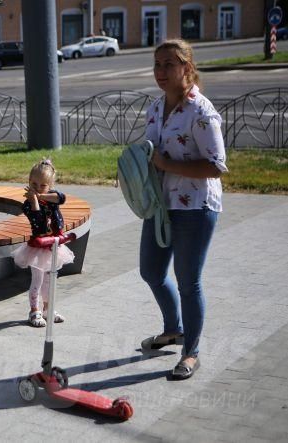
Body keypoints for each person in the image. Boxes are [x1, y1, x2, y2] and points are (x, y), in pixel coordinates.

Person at [140, 39, 228, 380]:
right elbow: (152, 150)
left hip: (196, 206)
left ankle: (190, 353)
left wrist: (167, 164)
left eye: (169, 65)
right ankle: (173, 329)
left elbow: (217, 166)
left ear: (187, 69)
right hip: (160, 204)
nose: (161, 72)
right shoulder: (154, 107)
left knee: (188, 282)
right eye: (157, 65)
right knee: (151, 271)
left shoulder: (201, 112)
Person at [12, 159, 75, 327]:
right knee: (38, 280)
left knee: (50, 279)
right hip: (38, 248)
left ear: (50, 185)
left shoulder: (51, 198)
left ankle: (48, 309)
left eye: (43, 185)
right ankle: (34, 311)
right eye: (34, 184)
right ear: (28, 182)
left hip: (53, 245)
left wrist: (41, 196)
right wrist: (35, 201)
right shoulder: (28, 204)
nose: (38, 188)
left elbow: (62, 198)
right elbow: (39, 223)